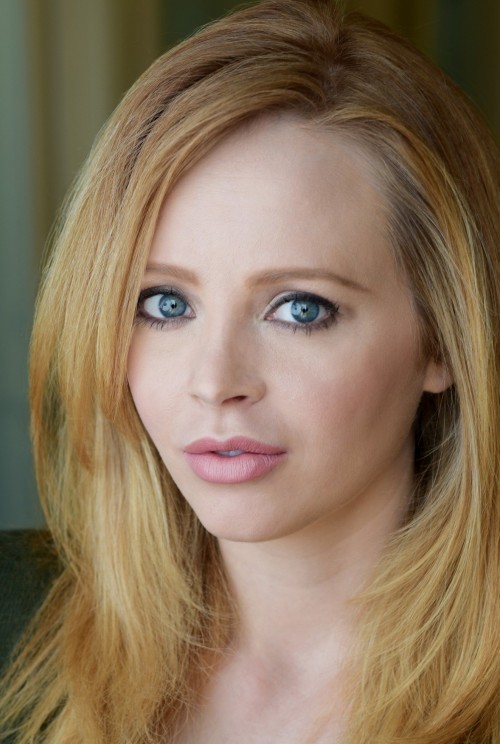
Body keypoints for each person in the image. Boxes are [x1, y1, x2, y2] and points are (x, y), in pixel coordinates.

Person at [1, 1, 498, 742]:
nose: (214, 381)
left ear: (442, 342)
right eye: (165, 303)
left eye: (300, 309)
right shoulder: (14, 623)